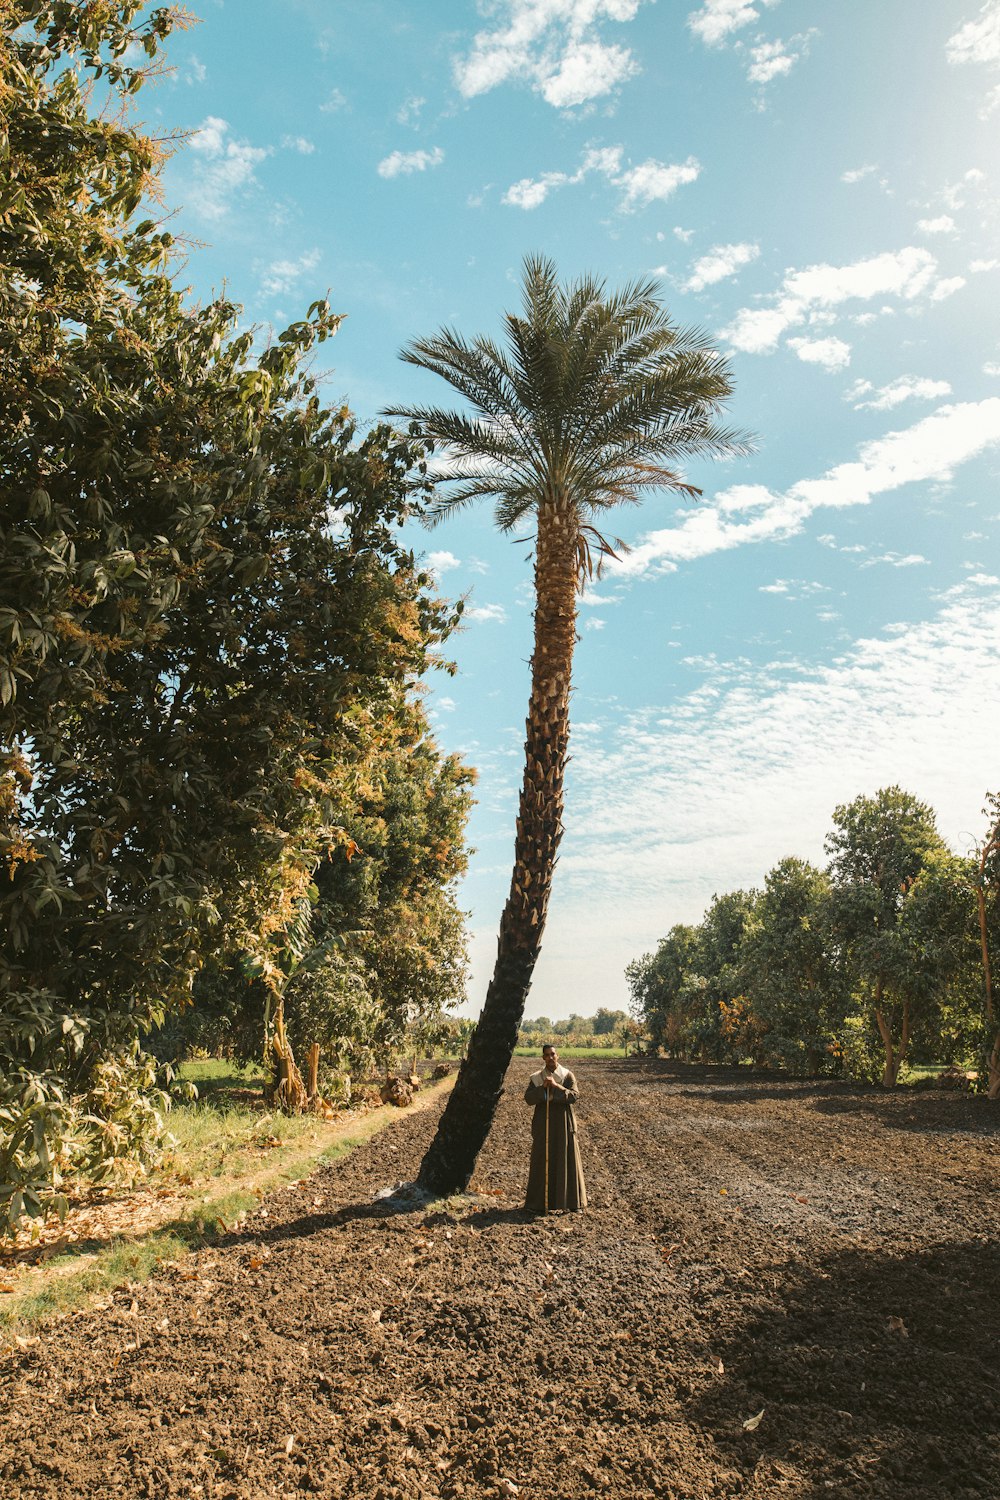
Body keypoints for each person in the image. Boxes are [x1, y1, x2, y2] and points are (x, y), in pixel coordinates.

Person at [524, 1044, 587, 1213]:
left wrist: (557, 1087)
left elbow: (574, 1096)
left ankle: (572, 1203)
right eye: (547, 1055)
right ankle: (537, 1204)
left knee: (566, 1158)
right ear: (543, 1058)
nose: (550, 1057)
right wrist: (542, 1088)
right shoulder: (536, 1078)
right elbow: (528, 1098)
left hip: (563, 1124)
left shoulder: (567, 1075)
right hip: (543, 1125)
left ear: (557, 1056)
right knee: (541, 1159)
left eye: (553, 1054)